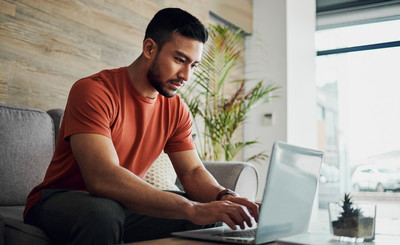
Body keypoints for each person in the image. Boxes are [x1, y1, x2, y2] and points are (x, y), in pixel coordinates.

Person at [24, 7, 259, 244]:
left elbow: (192, 172)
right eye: (179, 60)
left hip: (121, 203)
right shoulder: (94, 91)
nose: (186, 76)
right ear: (149, 48)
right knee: (103, 213)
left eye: (194, 65)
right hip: (61, 199)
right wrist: (189, 208)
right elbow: (102, 178)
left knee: (214, 216)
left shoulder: (176, 109)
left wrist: (224, 197)